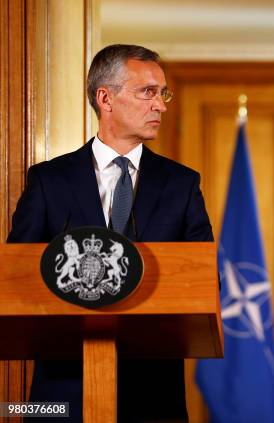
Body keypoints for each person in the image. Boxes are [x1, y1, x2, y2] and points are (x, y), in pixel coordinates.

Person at [8, 44, 214, 422]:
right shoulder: (50, 181)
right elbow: (16, 280)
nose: (161, 105)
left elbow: (204, 281)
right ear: (106, 98)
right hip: (61, 395)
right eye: (147, 92)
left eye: (162, 93)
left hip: (154, 398)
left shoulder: (182, 184)